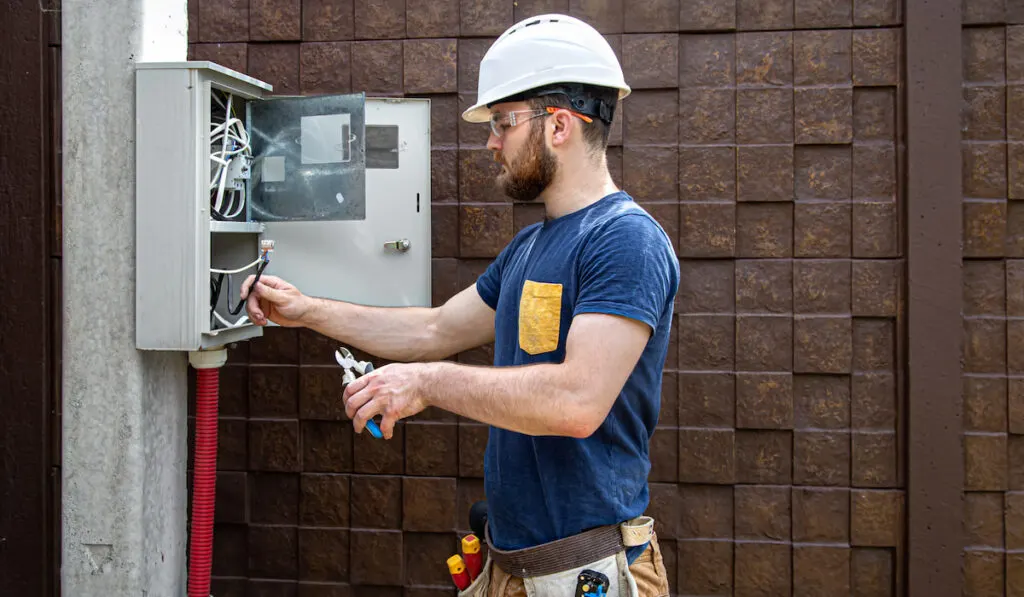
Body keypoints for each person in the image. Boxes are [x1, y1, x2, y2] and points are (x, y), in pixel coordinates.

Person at [241, 13, 679, 597]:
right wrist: (307, 311)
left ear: (559, 125)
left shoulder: (624, 239)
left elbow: (577, 401)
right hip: (513, 567)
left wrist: (426, 385)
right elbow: (434, 329)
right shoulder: (532, 245)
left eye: (502, 122)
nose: (491, 142)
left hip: (586, 574)